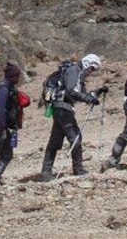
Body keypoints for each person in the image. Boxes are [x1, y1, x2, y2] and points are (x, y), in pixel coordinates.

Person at [39, 53, 107, 181]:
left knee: (55, 141)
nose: (91, 72)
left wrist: (97, 92)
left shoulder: (77, 73)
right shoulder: (74, 71)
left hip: (60, 108)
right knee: (75, 137)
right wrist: (88, 98)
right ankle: (78, 169)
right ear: (87, 64)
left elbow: (82, 93)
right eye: (92, 68)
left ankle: (46, 172)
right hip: (64, 108)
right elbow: (72, 91)